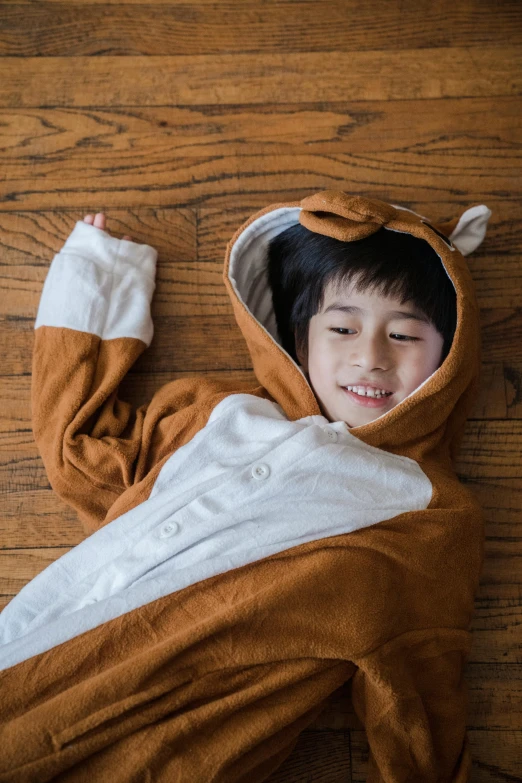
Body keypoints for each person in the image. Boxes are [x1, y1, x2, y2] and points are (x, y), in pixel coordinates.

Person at [0, 191, 491, 782]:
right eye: (342, 326)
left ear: (451, 356)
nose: (370, 357)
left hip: (175, 750)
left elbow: (423, 693)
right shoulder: (217, 414)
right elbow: (85, 458)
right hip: (31, 660)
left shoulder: (427, 519)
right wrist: (97, 283)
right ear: (301, 338)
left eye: (405, 336)